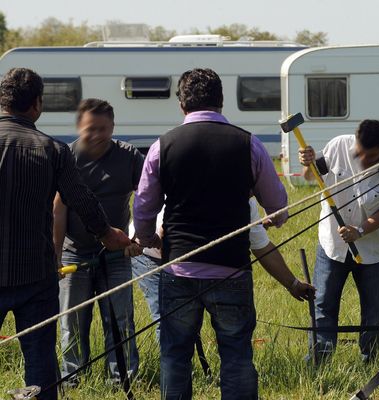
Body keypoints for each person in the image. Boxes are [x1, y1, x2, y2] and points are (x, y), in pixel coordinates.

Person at [134, 68, 291, 400]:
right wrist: (272, 218)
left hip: (178, 269)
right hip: (231, 269)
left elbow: (144, 207)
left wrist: (147, 238)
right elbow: (278, 209)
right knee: (235, 355)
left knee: (175, 355)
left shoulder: (163, 147)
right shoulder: (248, 144)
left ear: (181, 105)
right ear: (221, 101)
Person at [0, 68, 130, 400]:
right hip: (35, 274)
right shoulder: (52, 150)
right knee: (40, 363)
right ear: (37, 104)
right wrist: (107, 234)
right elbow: (81, 199)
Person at [298, 119, 379, 364]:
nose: (362, 159)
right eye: (359, 152)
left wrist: (359, 231)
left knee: (374, 311)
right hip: (332, 245)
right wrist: (307, 163)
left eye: (369, 156)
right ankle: (319, 360)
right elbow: (309, 176)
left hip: (370, 249)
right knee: (323, 304)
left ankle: (374, 361)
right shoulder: (338, 146)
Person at [131, 198, 315, 342]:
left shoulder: (244, 200)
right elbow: (164, 235)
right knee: (170, 325)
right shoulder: (188, 187)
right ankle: (175, 379)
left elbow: (261, 246)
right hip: (153, 253)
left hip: (198, 262)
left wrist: (293, 283)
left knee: (191, 326)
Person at [52, 98, 144, 384]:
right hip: (73, 253)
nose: (97, 135)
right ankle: (72, 378)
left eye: (103, 129)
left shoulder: (128, 156)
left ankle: (122, 378)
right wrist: (55, 255)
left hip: (116, 255)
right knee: (72, 322)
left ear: (113, 127)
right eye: (91, 129)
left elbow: (147, 198)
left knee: (120, 319)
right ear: (79, 127)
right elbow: (58, 209)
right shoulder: (67, 158)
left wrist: (137, 236)